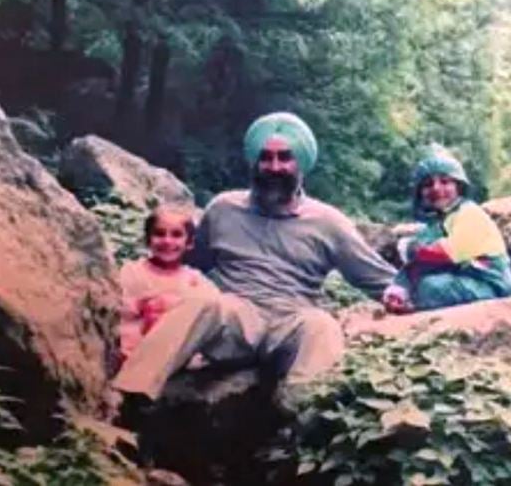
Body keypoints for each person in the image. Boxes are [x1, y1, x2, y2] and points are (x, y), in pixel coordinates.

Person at [115, 112, 396, 400]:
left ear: (302, 163)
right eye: (266, 157)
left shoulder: (328, 222)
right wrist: (151, 298)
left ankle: (300, 417)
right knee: (201, 301)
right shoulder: (223, 209)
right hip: (235, 321)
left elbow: (383, 281)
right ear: (254, 162)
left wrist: (423, 295)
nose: (274, 167)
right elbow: (184, 265)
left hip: (291, 322)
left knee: (323, 326)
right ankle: (127, 397)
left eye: (285, 157)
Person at [112, 206, 265, 400]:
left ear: (190, 243)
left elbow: (213, 318)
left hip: (186, 358)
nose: (167, 241)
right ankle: (134, 391)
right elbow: (126, 320)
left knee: (218, 305)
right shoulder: (134, 273)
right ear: (147, 239)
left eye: (176, 235)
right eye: (159, 234)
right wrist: (130, 353)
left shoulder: (195, 279)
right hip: (145, 353)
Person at [382, 144, 511, 314]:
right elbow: (418, 264)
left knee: (430, 287)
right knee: (418, 285)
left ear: (459, 187)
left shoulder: (470, 214)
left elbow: (440, 254)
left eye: (445, 181)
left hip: (493, 289)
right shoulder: (435, 225)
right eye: (427, 184)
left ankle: (417, 307)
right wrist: (398, 288)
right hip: (461, 281)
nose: (436, 188)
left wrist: (411, 247)